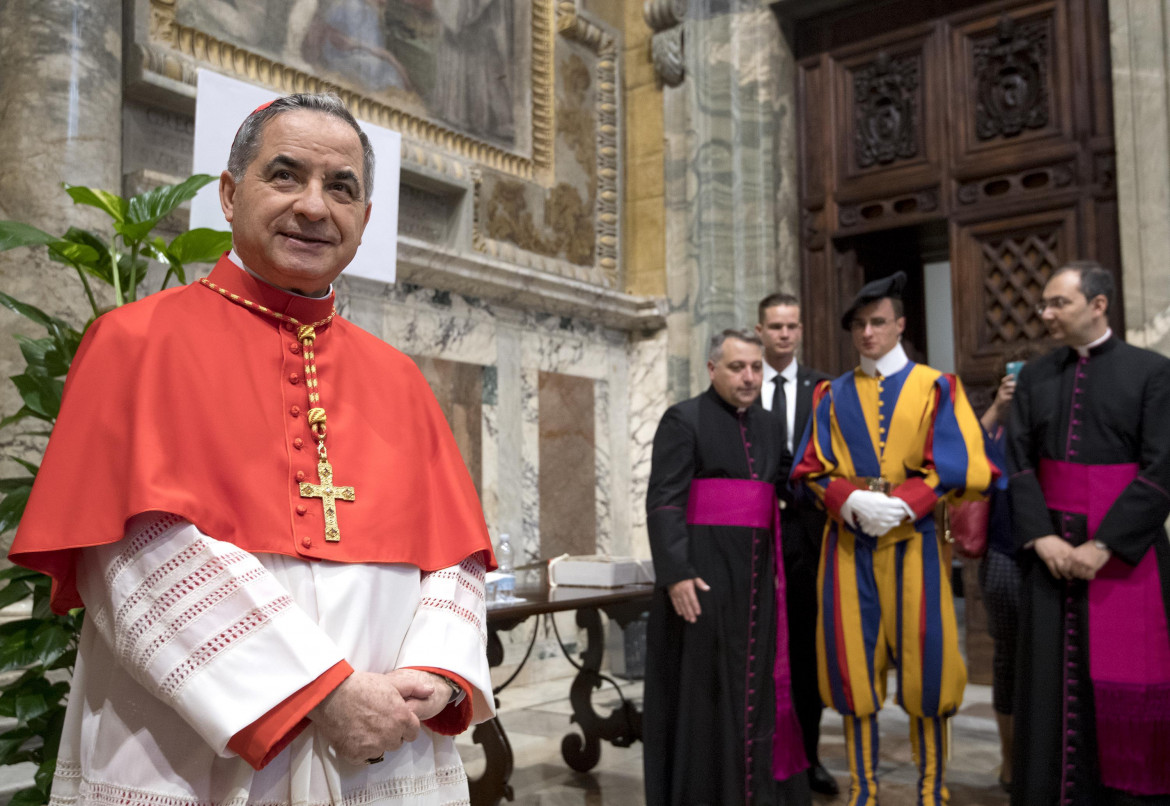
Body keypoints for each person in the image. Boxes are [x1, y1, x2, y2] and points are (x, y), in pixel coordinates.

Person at [8, 93, 496, 806]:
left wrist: (435, 674)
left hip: (383, 749)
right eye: (285, 176)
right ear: (231, 195)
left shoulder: (400, 379)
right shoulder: (134, 344)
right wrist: (319, 693)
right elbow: (131, 559)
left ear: (363, 219)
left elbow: (453, 556)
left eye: (341, 188)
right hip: (188, 746)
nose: (313, 206)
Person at [792, 272, 996, 806]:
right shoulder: (829, 395)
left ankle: (932, 789)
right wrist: (851, 500)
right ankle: (864, 789)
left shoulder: (937, 386)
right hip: (848, 543)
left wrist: (907, 503)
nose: (867, 332)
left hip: (919, 543)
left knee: (928, 666)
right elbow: (810, 468)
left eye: (877, 322)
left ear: (900, 324)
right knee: (851, 669)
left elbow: (962, 465)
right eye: (858, 324)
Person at [1007, 261, 1170, 806]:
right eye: (1045, 304)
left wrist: (1104, 546)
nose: (1045, 314)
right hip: (1049, 555)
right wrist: (1042, 539)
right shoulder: (1034, 376)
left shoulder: (1152, 372)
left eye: (1059, 303)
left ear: (1099, 305)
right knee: (1050, 687)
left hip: (1126, 557)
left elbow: (1162, 467)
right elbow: (1019, 464)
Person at [644, 329, 810, 806]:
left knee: (756, 689)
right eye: (738, 367)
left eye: (756, 367)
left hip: (758, 582)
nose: (750, 377)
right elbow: (664, 502)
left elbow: (786, 483)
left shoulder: (768, 423)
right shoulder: (683, 419)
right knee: (710, 694)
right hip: (705, 578)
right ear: (713, 369)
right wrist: (675, 573)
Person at [755, 293, 837, 797]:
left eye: (791, 327)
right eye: (775, 326)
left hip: (810, 538)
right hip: (757, 534)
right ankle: (759, 752)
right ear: (760, 330)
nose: (783, 335)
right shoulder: (743, 380)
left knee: (807, 652)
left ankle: (809, 758)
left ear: (801, 330)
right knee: (761, 648)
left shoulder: (823, 387)